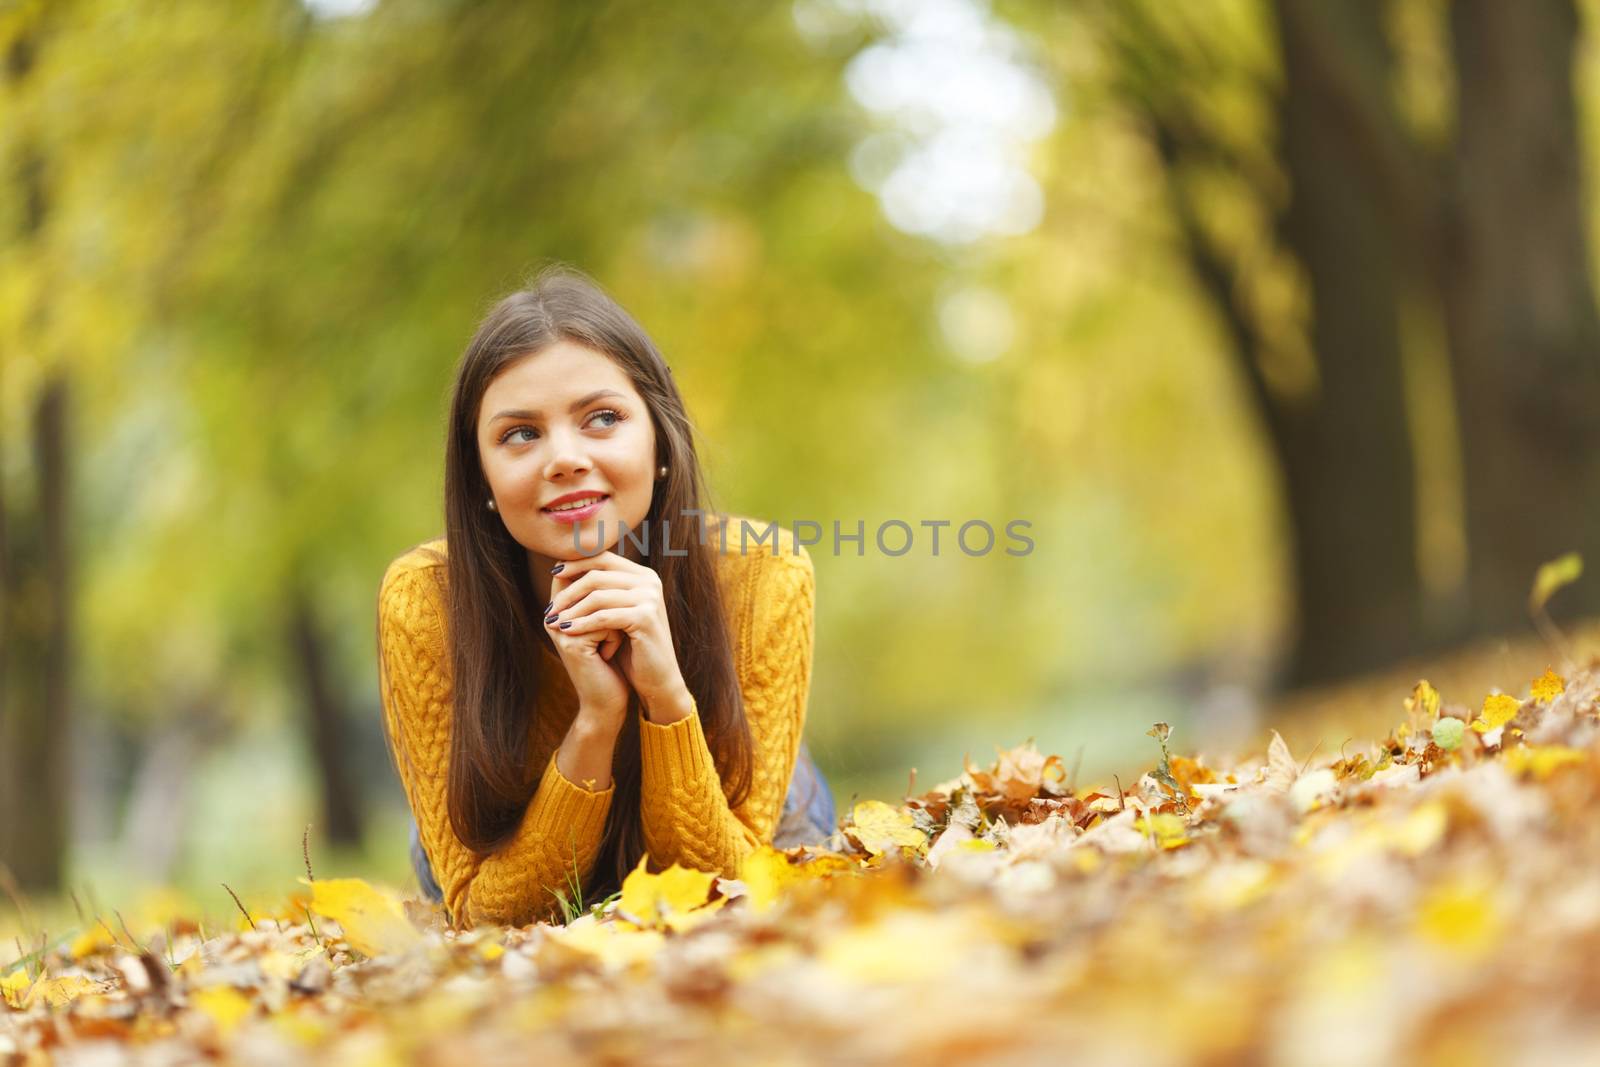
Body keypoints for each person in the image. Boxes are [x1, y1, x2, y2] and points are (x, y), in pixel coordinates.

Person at [376, 265, 836, 930]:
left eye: (602, 418)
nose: (563, 457)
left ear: (660, 445)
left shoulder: (764, 575)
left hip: (741, 822)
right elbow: (489, 915)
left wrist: (666, 696)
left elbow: (724, 892)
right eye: (520, 433)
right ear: (480, 474)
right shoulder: (425, 600)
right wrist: (596, 718)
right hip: (516, 848)